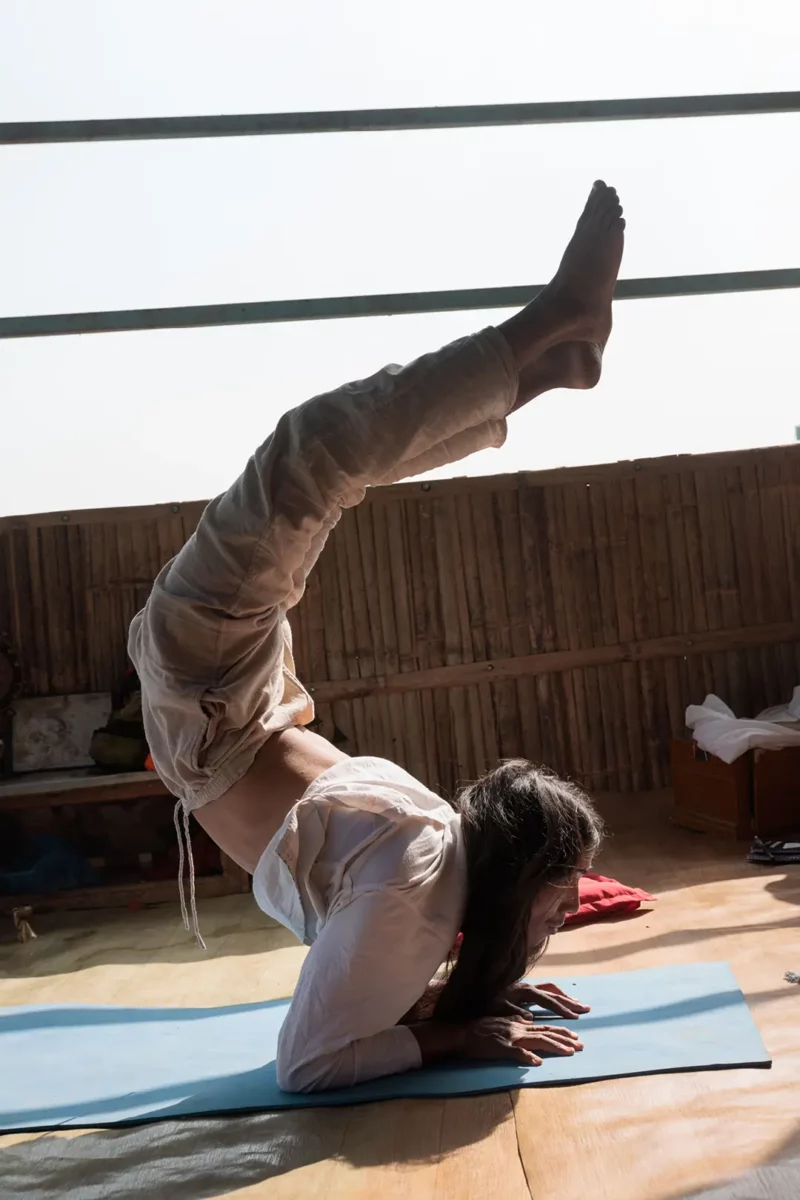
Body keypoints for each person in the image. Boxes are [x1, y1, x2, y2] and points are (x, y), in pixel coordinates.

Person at [129, 180, 624, 1093]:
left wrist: (455, 1032)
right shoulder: (431, 885)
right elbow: (382, 972)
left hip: (215, 705)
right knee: (320, 467)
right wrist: (462, 1005)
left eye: (561, 904)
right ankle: (547, 358)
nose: (563, 919)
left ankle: (546, 335)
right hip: (243, 704)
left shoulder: (415, 899)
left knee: (311, 456)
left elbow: (307, 1066)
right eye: (563, 900)